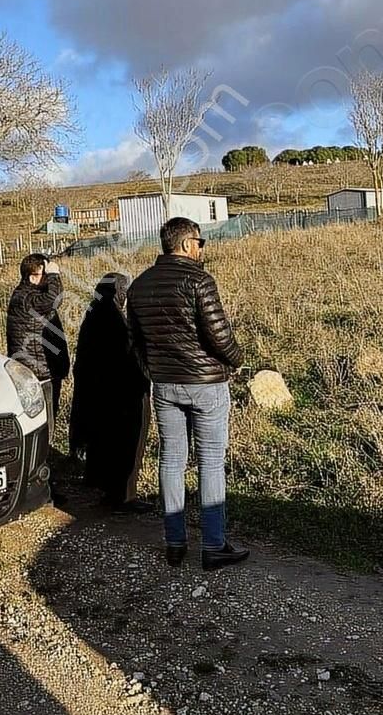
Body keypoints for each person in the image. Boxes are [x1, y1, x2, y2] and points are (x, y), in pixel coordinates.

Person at [127, 217, 249, 570]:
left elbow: (135, 340)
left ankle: (175, 542)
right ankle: (213, 546)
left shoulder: (139, 285)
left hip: (164, 385)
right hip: (206, 385)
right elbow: (219, 334)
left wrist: (152, 371)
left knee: (171, 461)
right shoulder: (199, 280)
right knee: (210, 462)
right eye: (199, 242)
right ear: (184, 244)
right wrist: (237, 360)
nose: (201, 248)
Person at [70, 273, 153, 514]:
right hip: (123, 394)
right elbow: (127, 356)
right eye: (123, 290)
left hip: (100, 393)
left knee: (106, 442)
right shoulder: (113, 318)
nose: (125, 295)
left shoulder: (94, 313)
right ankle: (125, 496)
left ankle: (109, 491)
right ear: (116, 292)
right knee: (128, 443)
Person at [6, 254, 70, 419]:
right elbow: (54, 299)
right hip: (38, 373)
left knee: (48, 417)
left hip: (42, 369)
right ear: (33, 276)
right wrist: (54, 275)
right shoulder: (26, 297)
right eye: (45, 274)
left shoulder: (29, 295)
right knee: (45, 420)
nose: (48, 279)